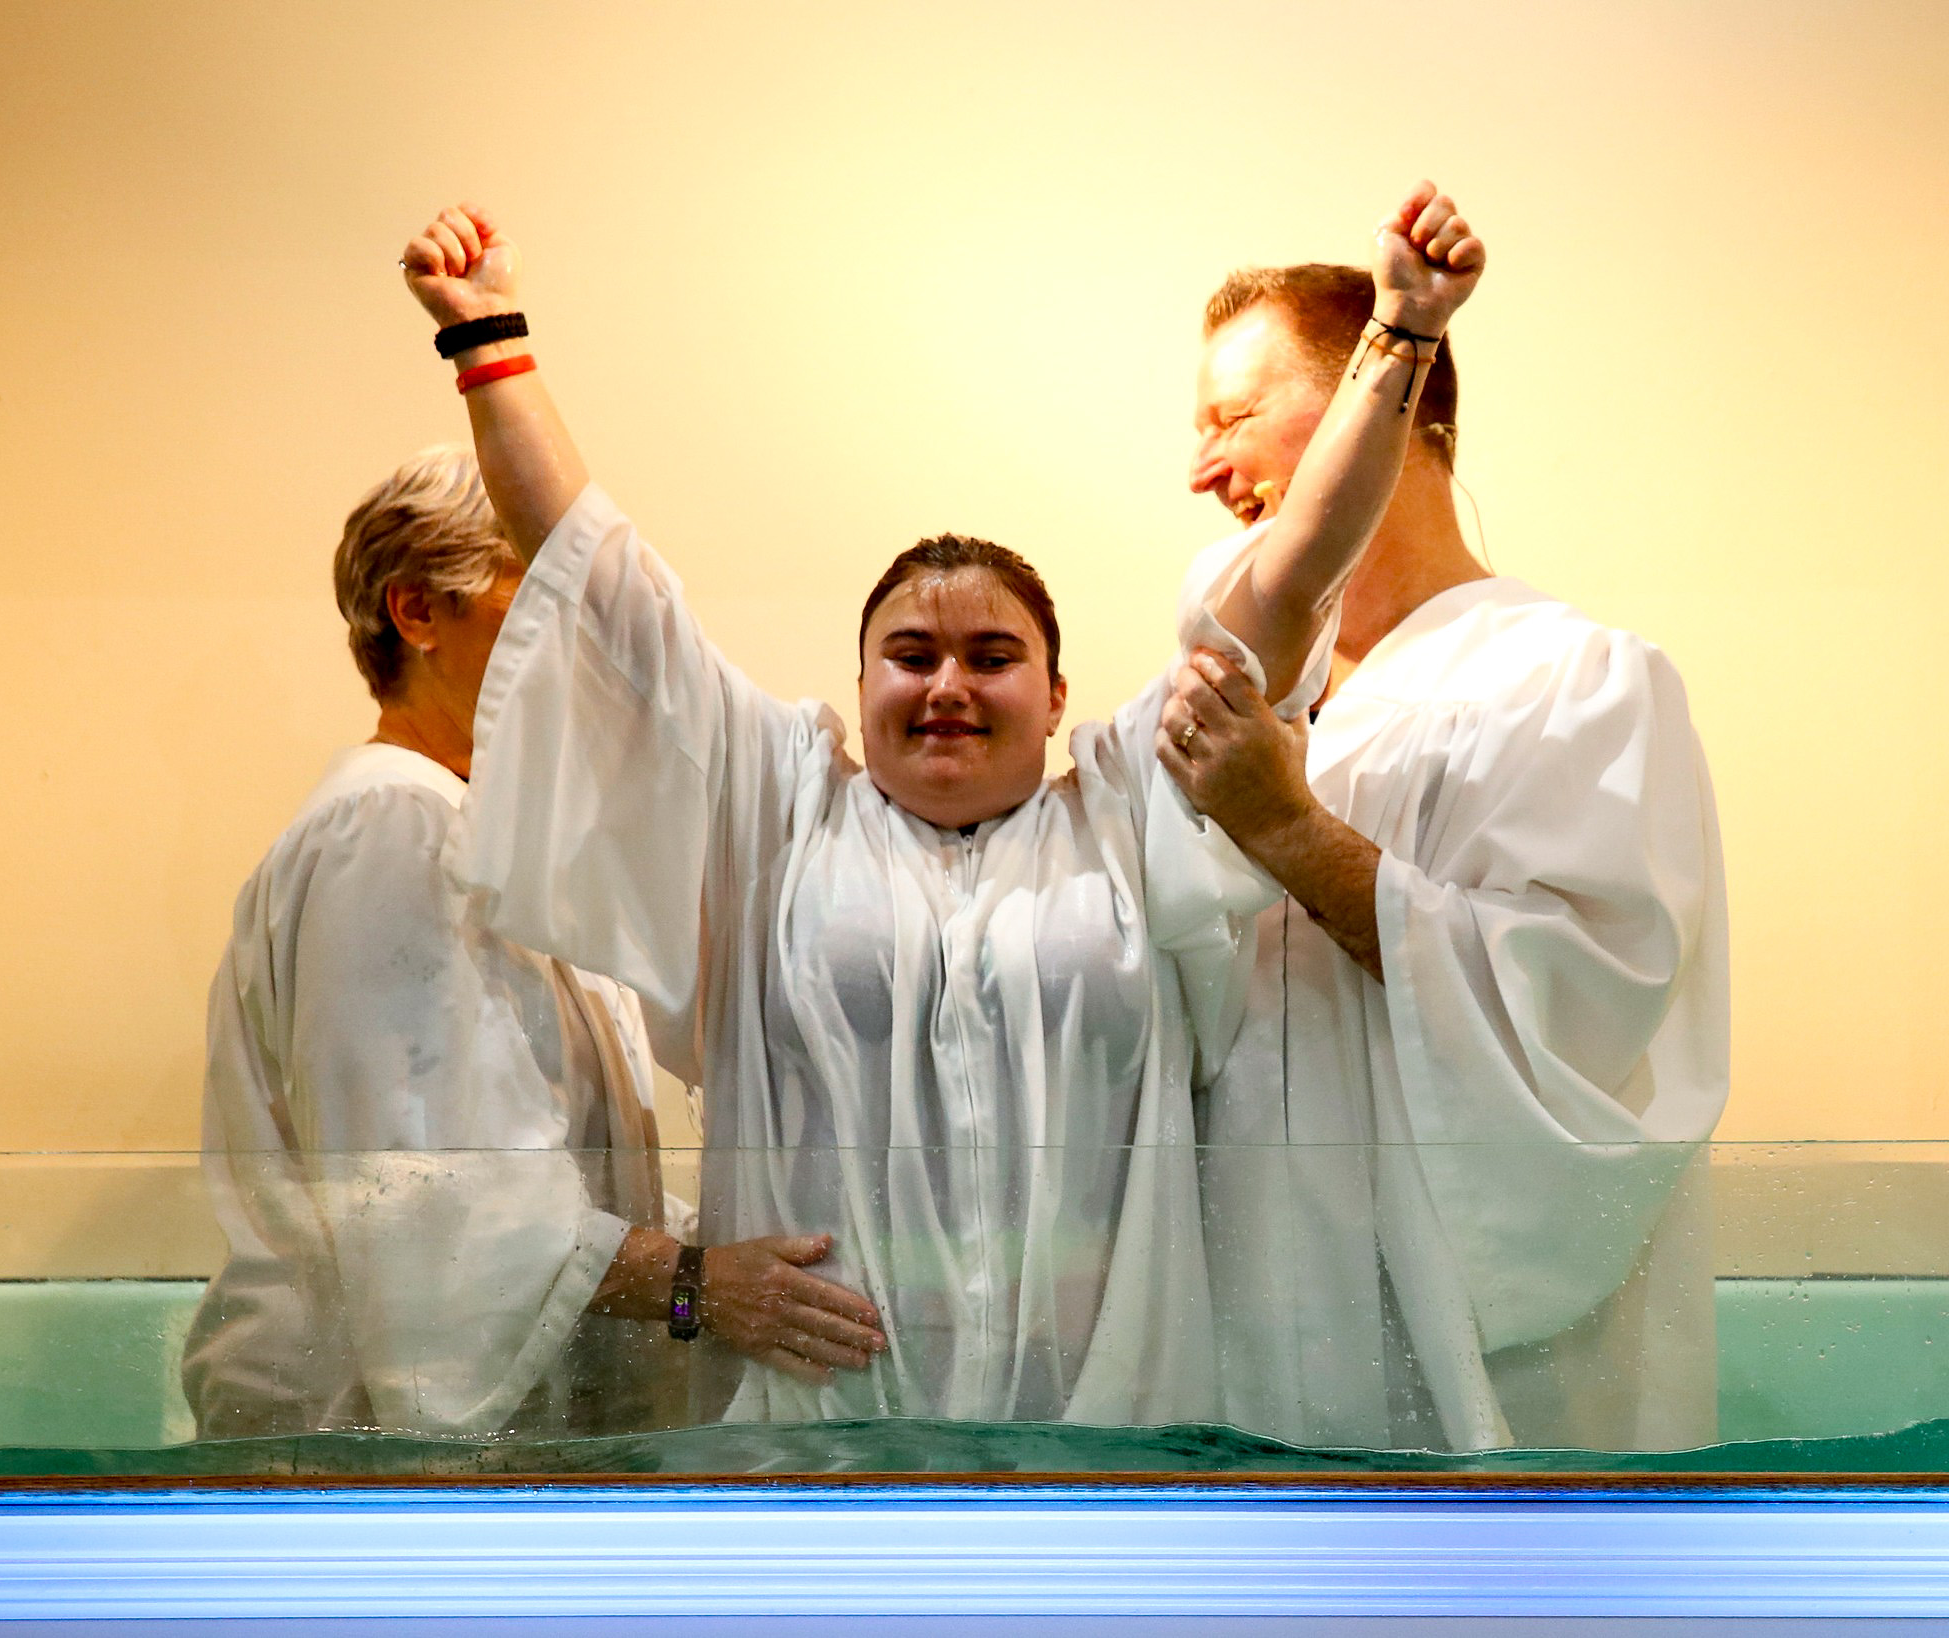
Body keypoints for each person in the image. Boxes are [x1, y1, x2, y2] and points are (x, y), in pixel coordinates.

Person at [395, 186, 1483, 1426]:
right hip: (818, 1458)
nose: (949, 685)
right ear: (858, 692)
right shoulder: (777, 811)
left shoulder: (1130, 806)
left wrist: (1400, 332)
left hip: (1106, 1450)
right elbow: (596, 575)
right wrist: (486, 339)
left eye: (991, 655)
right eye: (911, 655)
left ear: (1058, 692)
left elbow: (1290, 577)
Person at [182, 447, 885, 1441]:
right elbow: (446, 1209)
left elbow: (558, 1196)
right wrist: (699, 1287)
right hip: (362, 1474)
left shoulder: (487, 837)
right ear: (419, 613)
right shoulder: (390, 828)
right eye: (544, 605)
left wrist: (747, 1254)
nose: (583, 648)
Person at [1167, 232, 1729, 1451]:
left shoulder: (1570, 679)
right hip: (1254, 1337)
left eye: (1233, 415)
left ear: (1388, 400)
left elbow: (1581, 1005)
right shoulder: (1251, 696)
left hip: (1495, 1383)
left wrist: (1283, 829)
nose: (1202, 470)